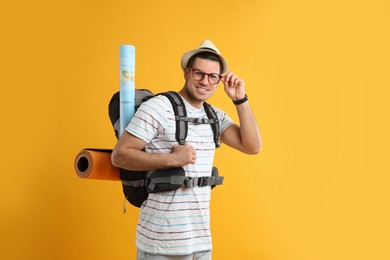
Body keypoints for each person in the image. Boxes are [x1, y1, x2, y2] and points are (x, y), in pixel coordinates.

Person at [111, 39, 262, 260]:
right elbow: (120, 155)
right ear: (186, 72)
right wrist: (172, 160)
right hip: (160, 244)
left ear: (220, 80)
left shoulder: (214, 116)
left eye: (213, 77)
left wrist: (240, 99)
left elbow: (252, 146)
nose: (205, 82)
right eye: (199, 73)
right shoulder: (158, 107)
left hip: (200, 243)